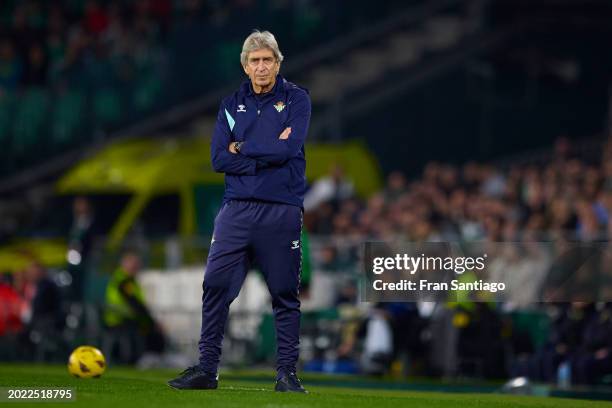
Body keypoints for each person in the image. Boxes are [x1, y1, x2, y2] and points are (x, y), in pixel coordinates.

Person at [168, 30, 311, 393]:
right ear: (245, 67)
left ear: (278, 63)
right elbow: (218, 159)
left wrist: (242, 148)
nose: (261, 67)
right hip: (236, 211)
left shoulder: (297, 99)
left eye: (268, 60)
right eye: (255, 61)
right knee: (214, 285)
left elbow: (288, 149)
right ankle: (207, 370)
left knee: (283, 292)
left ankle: (286, 374)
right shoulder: (230, 104)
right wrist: (265, 154)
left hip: (281, 209)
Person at [103, 252, 165, 364]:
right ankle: (144, 360)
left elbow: (138, 304)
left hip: (127, 318)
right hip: (119, 319)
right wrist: (151, 321)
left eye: (137, 265)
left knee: (150, 325)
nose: (136, 268)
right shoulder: (123, 281)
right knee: (151, 329)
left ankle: (148, 359)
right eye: (133, 265)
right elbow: (134, 304)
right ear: (124, 265)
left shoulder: (128, 280)